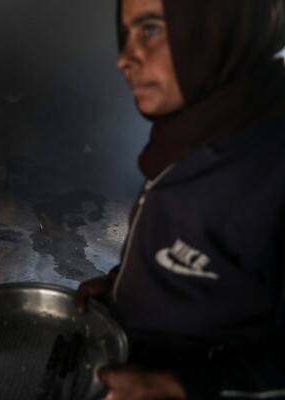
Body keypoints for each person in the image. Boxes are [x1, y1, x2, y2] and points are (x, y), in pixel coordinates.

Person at [73, 0, 285, 399]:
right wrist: (124, 286)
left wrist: (180, 386)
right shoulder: (196, 127)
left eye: (150, 29)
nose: (123, 59)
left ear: (217, 28)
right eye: (127, 34)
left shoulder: (272, 168)